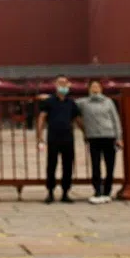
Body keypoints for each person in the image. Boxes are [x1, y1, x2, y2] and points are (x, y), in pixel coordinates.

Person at [37, 75, 83, 203]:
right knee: (52, 164)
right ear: (55, 84)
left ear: (68, 85)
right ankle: (50, 192)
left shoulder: (71, 102)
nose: (62, 86)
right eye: (60, 83)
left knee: (68, 165)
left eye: (65, 83)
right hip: (53, 136)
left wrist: (85, 132)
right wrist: (39, 135)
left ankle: (65, 192)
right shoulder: (49, 101)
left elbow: (77, 119)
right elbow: (42, 117)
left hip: (68, 137)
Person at [76, 80, 123, 204]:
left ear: (101, 89)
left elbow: (115, 120)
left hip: (109, 136)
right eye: (93, 86)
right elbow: (67, 103)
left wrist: (118, 138)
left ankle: (107, 191)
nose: (95, 89)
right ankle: (97, 190)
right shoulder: (84, 103)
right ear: (89, 89)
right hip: (93, 137)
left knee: (110, 166)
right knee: (95, 165)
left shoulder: (108, 102)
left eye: (97, 86)